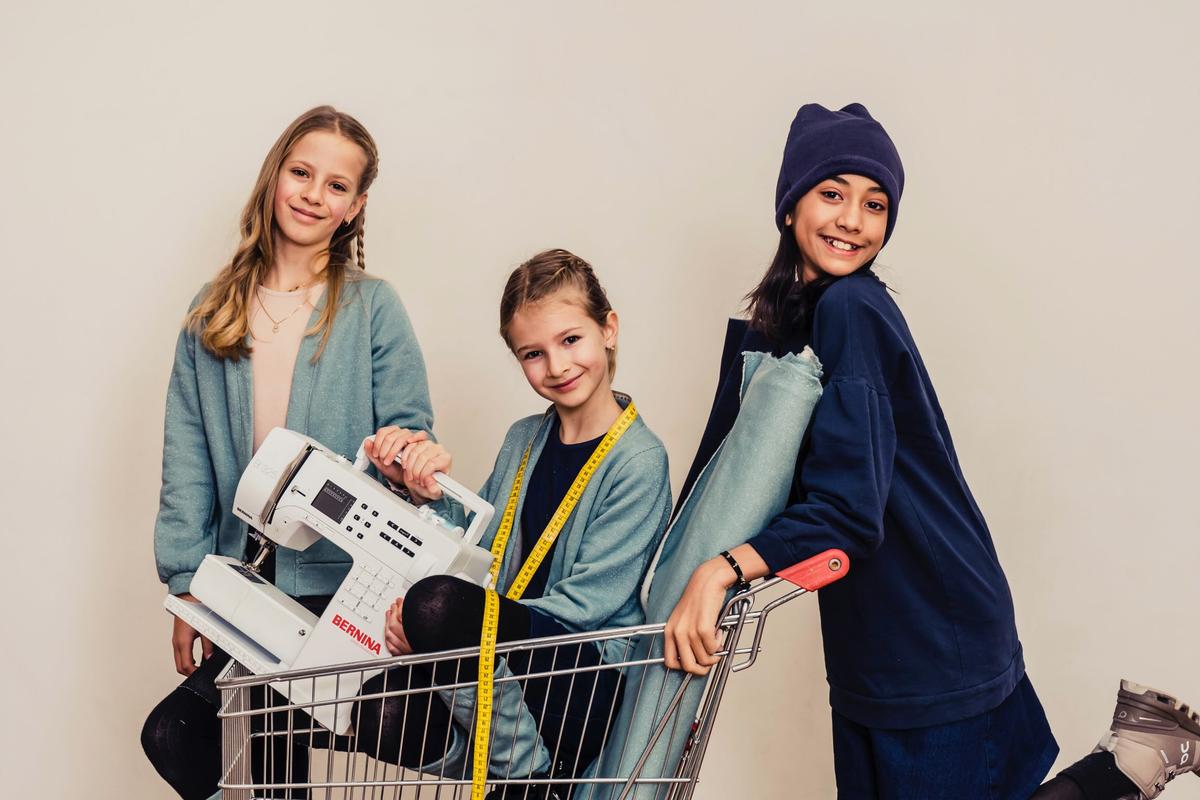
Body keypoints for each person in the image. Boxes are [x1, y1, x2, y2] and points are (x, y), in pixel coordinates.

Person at [661, 102, 1200, 800]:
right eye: (832, 193)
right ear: (789, 205)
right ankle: (1131, 758)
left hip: (929, 632)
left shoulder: (852, 309)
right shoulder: (791, 323)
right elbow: (732, 474)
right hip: (879, 639)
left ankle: (1130, 762)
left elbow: (850, 513)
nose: (853, 219)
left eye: (875, 203)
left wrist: (721, 570)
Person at [140, 105, 434, 800]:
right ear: (275, 178)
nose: (312, 194)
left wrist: (407, 459)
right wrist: (186, 583)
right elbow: (185, 461)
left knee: (276, 763)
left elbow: (411, 436)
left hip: (340, 586)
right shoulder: (211, 312)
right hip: (243, 584)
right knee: (188, 740)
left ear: (355, 208)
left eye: (336, 185)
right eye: (301, 173)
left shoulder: (372, 308)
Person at [358, 249, 672, 799]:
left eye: (571, 340)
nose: (556, 366)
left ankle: (520, 780)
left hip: (580, 678)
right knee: (375, 708)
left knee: (434, 605)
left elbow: (584, 608)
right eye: (533, 353)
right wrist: (421, 491)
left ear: (609, 329)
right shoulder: (523, 438)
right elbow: (476, 553)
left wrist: (449, 625)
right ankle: (519, 777)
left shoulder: (639, 459)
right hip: (508, 669)